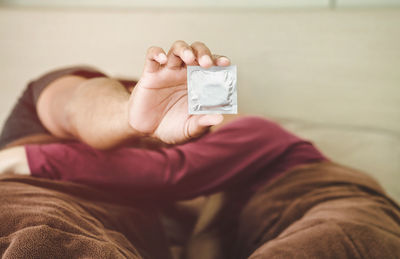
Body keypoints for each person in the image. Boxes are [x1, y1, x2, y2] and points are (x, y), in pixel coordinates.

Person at [0, 41, 399, 259]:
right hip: (32, 194)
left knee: (350, 233)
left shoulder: (252, 132)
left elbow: (174, 173)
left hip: (315, 194)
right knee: (41, 233)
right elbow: (81, 105)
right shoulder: (54, 105)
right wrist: (128, 113)